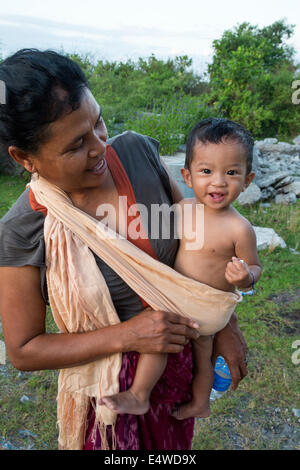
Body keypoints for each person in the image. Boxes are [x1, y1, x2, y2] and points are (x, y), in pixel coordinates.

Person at [0, 49, 248, 451]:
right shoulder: (23, 230)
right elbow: (24, 350)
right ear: (25, 158)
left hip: (178, 370)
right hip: (112, 397)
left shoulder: (137, 154)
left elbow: (201, 247)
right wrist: (130, 335)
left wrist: (226, 326)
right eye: (75, 145)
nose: (99, 147)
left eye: (98, 123)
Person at [98, 118, 261, 420]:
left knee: (158, 326)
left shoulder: (240, 228)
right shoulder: (180, 210)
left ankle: (139, 394)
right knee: (202, 358)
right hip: (190, 299)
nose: (219, 182)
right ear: (187, 176)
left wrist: (246, 275)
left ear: (247, 180)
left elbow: (254, 267)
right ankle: (201, 403)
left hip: (206, 304)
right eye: (206, 171)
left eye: (232, 173)